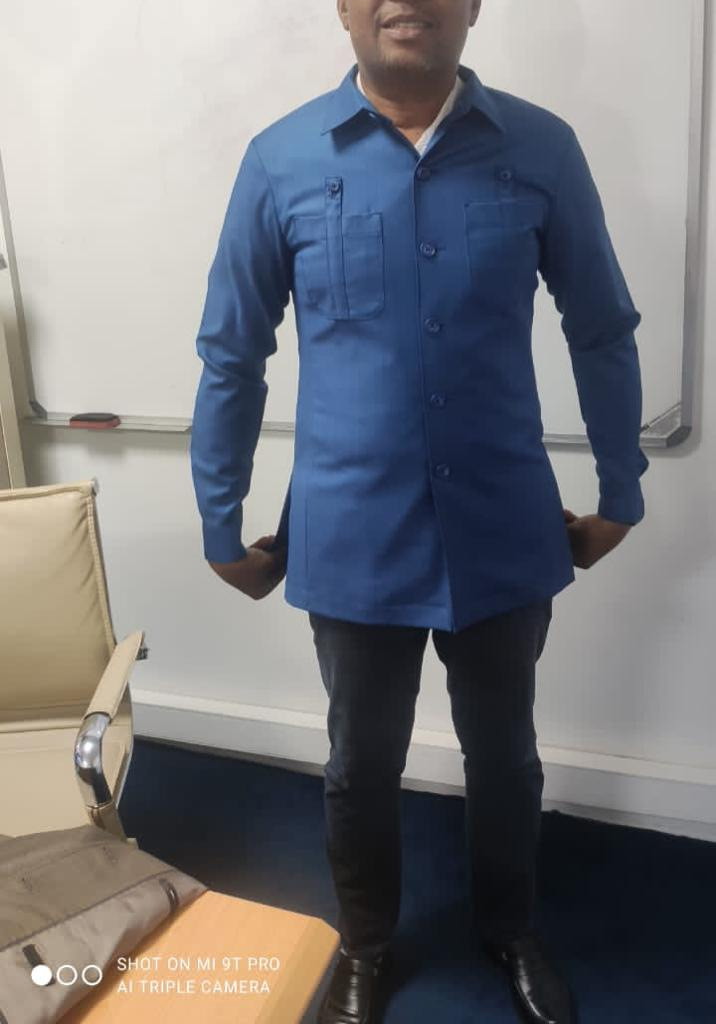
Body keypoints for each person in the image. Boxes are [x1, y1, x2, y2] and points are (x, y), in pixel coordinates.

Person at [189, 2, 649, 1021]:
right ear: (344, 7)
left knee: (505, 754)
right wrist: (220, 520)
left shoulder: (541, 148)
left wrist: (621, 489)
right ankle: (364, 941)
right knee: (359, 761)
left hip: (502, 520)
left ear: (473, 5)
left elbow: (599, 325)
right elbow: (232, 350)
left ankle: (509, 926)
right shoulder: (281, 159)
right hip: (352, 527)